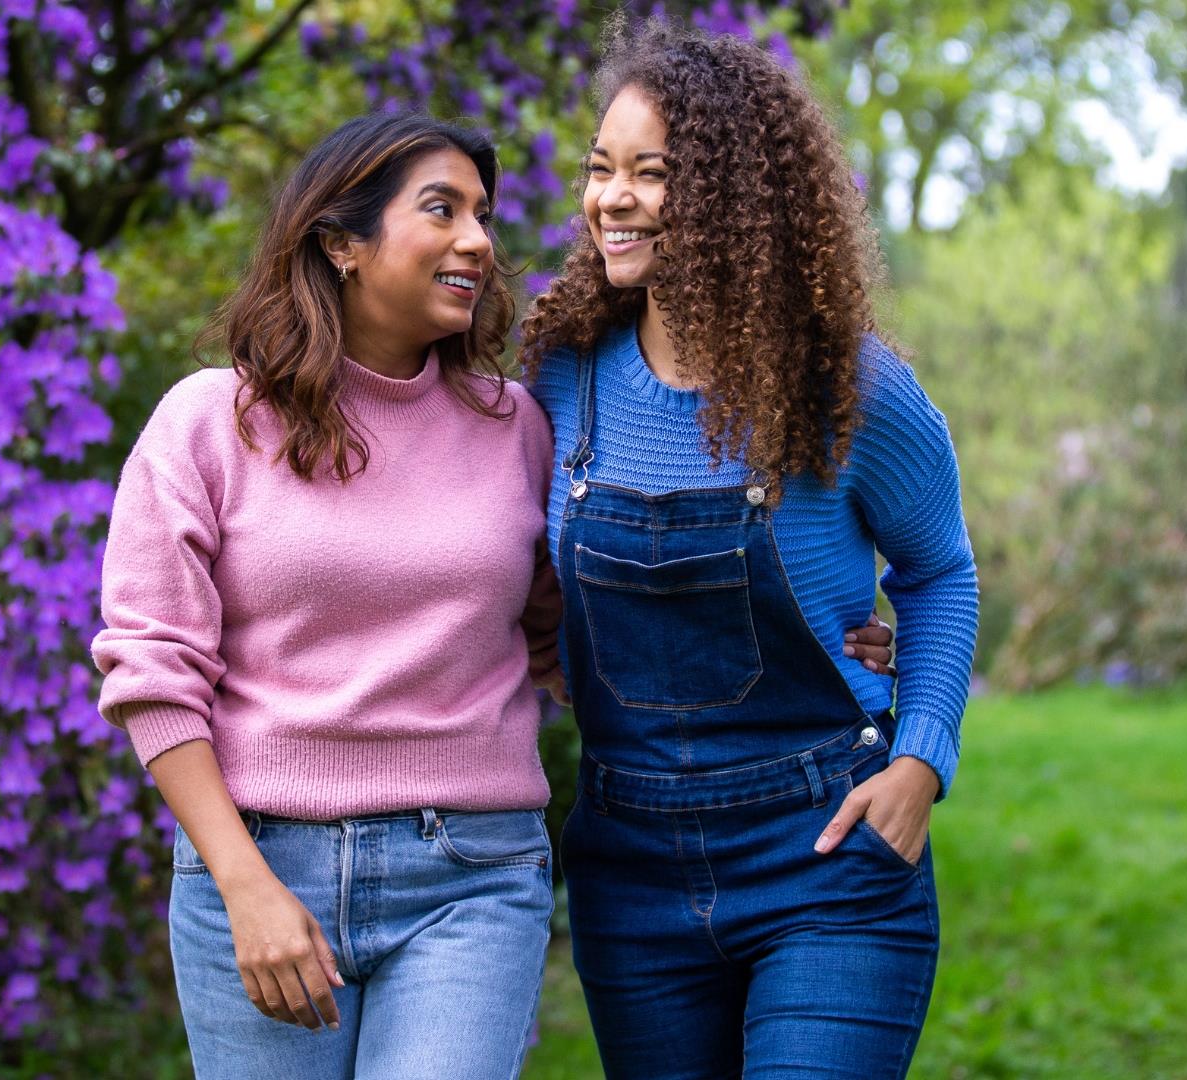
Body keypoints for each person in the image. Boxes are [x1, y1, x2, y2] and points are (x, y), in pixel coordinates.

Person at [91, 110, 892, 1079]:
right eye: (442, 210)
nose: (479, 239)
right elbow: (152, 670)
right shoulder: (208, 424)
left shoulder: (515, 426)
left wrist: (806, 634)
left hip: (469, 878)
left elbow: (585, 619)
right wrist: (240, 882)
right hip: (256, 868)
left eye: (482, 212)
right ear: (341, 242)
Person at [521, 17, 980, 1079]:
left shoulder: (851, 390)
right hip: (628, 864)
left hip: (825, 855)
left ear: (734, 199)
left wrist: (923, 758)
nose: (609, 199)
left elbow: (940, 571)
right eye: (600, 170)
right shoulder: (560, 377)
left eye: (650, 174)